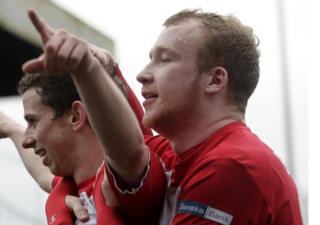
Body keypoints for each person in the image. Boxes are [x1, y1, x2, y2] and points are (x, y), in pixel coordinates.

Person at [22, 8, 303, 225]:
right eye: (149, 58)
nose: (143, 74)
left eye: (165, 59)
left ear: (215, 80)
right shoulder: (177, 157)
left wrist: (87, 69)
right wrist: (104, 73)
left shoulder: (231, 166)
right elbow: (127, 150)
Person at [0, 49, 156, 224]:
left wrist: (107, 68)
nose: (27, 141)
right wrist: (9, 128)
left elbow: (135, 149)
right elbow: (43, 175)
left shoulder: (135, 182)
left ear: (76, 116)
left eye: (33, 122)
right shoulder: (71, 190)